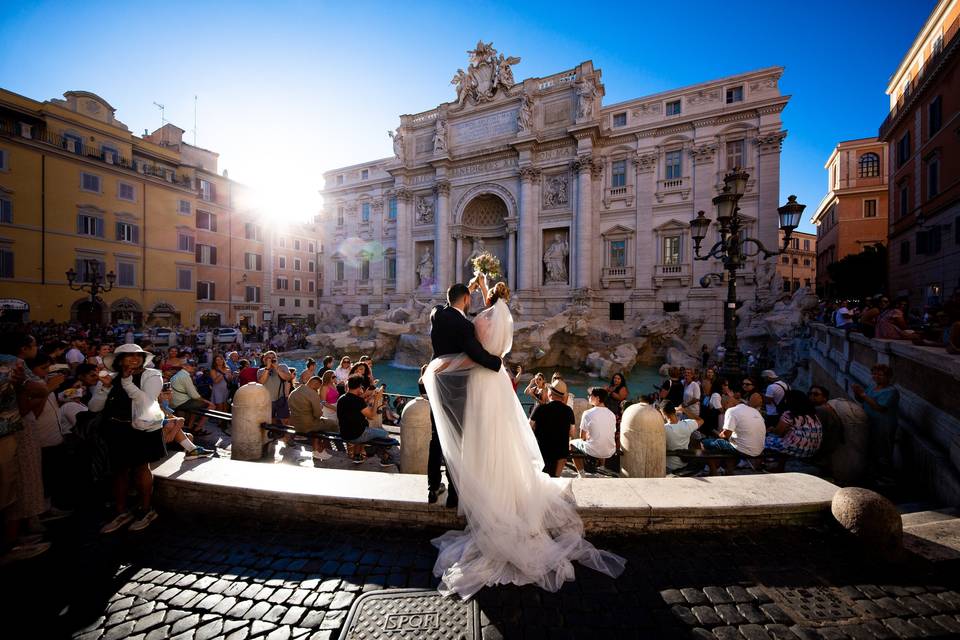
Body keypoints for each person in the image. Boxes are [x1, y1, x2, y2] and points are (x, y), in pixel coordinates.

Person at [422, 277, 624, 599]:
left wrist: (480, 292)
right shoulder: (499, 316)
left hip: (473, 382)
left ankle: (459, 490)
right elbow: (482, 349)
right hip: (489, 379)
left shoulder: (447, 315)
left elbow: (471, 344)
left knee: (464, 438)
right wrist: (498, 363)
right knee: (494, 437)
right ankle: (480, 490)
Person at [88, 344, 166, 533]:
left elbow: (147, 402)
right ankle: (121, 511)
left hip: (141, 429)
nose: (134, 358)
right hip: (116, 429)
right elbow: (94, 408)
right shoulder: (110, 377)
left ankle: (146, 509)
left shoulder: (152, 376)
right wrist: (105, 388)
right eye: (128, 355)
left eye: (137, 355)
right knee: (119, 471)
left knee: (142, 468)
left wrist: (127, 381)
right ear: (119, 360)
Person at [336, 375, 396, 466]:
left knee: (363, 428)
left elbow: (355, 410)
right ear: (359, 387)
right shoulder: (358, 401)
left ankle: (357, 456)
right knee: (384, 434)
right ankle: (385, 459)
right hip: (357, 434)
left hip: (344, 433)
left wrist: (365, 397)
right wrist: (376, 398)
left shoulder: (341, 398)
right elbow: (371, 416)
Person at [852, 364, 899, 477]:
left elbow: (880, 408)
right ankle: (874, 474)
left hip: (883, 425)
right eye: (874, 374)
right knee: (871, 448)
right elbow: (863, 400)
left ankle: (886, 477)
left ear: (888, 377)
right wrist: (857, 393)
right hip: (870, 422)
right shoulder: (872, 387)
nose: (876, 376)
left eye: (880, 374)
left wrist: (863, 395)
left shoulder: (891, 391)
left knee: (883, 451)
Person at [529, 379, 576, 478]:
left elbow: (528, 427)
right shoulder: (569, 411)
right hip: (560, 453)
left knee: (542, 477)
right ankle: (556, 479)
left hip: (542, 451)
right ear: (563, 396)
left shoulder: (540, 408)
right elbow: (572, 433)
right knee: (556, 475)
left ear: (550, 393)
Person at [570, 387, 617, 476]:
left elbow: (582, 437)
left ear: (598, 398)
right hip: (610, 450)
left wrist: (588, 436)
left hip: (595, 450)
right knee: (602, 438)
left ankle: (581, 474)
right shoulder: (612, 414)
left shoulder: (588, 413)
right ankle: (601, 467)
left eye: (590, 395)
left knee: (571, 444)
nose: (588, 397)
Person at [288, 376, 337, 462]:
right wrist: (321, 411)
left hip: (296, 424)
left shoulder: (294, 392)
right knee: (333, 424)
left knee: (321, 424)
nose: (318, 389)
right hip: (308, 425)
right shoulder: (312, 394)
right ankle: (321, 449)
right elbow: (317, 414)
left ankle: (316, 449)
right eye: (318, 387)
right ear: (315, 384)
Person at [764, 390, 823, 459]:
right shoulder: (813, 415)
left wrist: (771, 430)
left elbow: (778, 432)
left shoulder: (789, 414)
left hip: (796, 449)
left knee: (764, 440)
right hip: (811, 450)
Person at [662, 402, 702, 473]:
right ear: (674, 411)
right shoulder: (687, 424)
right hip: (684, 464)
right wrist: (684, 410)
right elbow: (701, 420)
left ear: (663, 413)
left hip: (668, 466)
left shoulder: (664, 429)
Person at [258, 351, 293, 425]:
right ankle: (275, 434)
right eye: (269, 358)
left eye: (273, 358)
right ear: (264, 360)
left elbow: (288, 378)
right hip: (268, 400)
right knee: (271, 420)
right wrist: (267, 368)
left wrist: (277, 368)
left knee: (286, 420)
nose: (271, 360)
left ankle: (287, 436)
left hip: (281, 398)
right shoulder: (261, 371)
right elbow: (262, 381)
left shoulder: (283, 367)